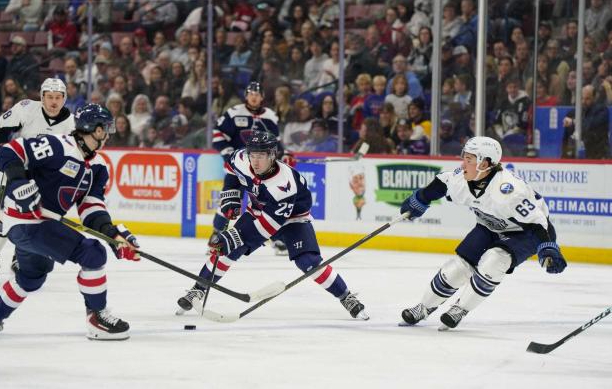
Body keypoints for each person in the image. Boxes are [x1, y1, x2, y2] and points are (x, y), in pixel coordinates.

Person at [0, 104, 140, 339]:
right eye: (105, 129)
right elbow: (8, 151)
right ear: (94, 129)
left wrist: (112, 234)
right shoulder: (57, 145)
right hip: (22, 220)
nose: (107, 135)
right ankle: (97, 318)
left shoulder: (98, 167)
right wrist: (18, 182)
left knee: (32, 277)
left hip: (41, 225)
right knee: (92, 253)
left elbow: (91, 207)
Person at [176, 131, 368, 320]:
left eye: (260, 156)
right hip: (258, 212)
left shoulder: (283, 184)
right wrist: (231, 195)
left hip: (293, 220)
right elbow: (231, 171)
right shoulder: (241, 158)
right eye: (253, 155)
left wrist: (233, 237)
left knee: (309, 262)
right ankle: (198, 290)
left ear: (272, 155)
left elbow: (268, 227)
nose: (255, 161)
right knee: (226, 252)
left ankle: (346, 296)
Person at [399, 136, 566, 330]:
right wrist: (419, 200)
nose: (463, 165)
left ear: (485, 163)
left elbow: (538, 223)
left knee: (494, 261)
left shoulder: (508, 191)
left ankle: (461, 308)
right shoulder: (461, 180)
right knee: (458, 268)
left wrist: (548, 248)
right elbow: (441, 183)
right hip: (490, 226)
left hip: (524, 233)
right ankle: (424, 307)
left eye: (469, 160)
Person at [0, 78, 75, 284]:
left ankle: (20, 256)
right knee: (7, 214)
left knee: (34, 219)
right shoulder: (26, 108)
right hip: (20, 171)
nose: (53, 102)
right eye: (49, 97)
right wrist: (5, 154)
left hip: (46, 177)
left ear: (64, 99)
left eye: (58, 98)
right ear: (42, 97)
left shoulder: (71, 123)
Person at [211, 82, 291, 256]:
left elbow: (275, 143)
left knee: (269, 203)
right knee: (230, 200)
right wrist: (227, 153)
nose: (254, 96)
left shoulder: (270, 116)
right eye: (250, 93)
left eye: (257, 94)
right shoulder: (234, 113)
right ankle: (217, 234)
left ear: (262, 97)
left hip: (261, 170)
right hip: (237, 167)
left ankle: (276, 239)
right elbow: (217, 135)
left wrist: (283, 155)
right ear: (246, 96)